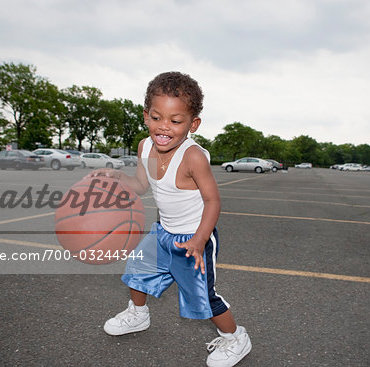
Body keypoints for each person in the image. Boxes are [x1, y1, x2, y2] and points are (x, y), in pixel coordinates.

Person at [88, 71, 251, 367]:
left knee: (203, 296)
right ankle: (138, 315)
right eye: (156, 117)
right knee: (136, 273)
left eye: (175, 121)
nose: (164, 127)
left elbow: (213, 200)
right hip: (163, 231)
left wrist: (200, 240)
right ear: (146, 115)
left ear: (193, 124)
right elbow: (141, 184)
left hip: (193, 237)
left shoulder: (193, 157)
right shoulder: (145, 146)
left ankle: (235, 337)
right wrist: (118, 178)